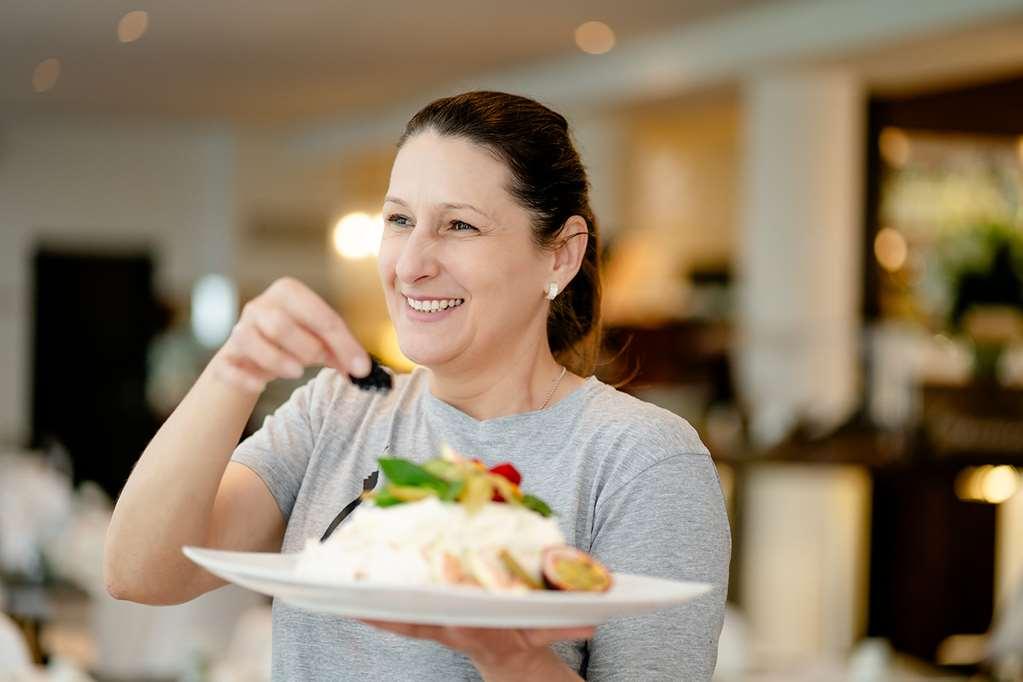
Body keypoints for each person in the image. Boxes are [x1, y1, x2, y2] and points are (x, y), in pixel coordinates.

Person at [104, 91, 731, 681]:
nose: (411, 264)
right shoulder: (338, 409)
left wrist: (502, 650)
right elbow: (140, 572)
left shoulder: (642, 458)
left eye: (459, 226)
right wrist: (233, 369)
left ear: (560, 255)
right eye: (400, 219)